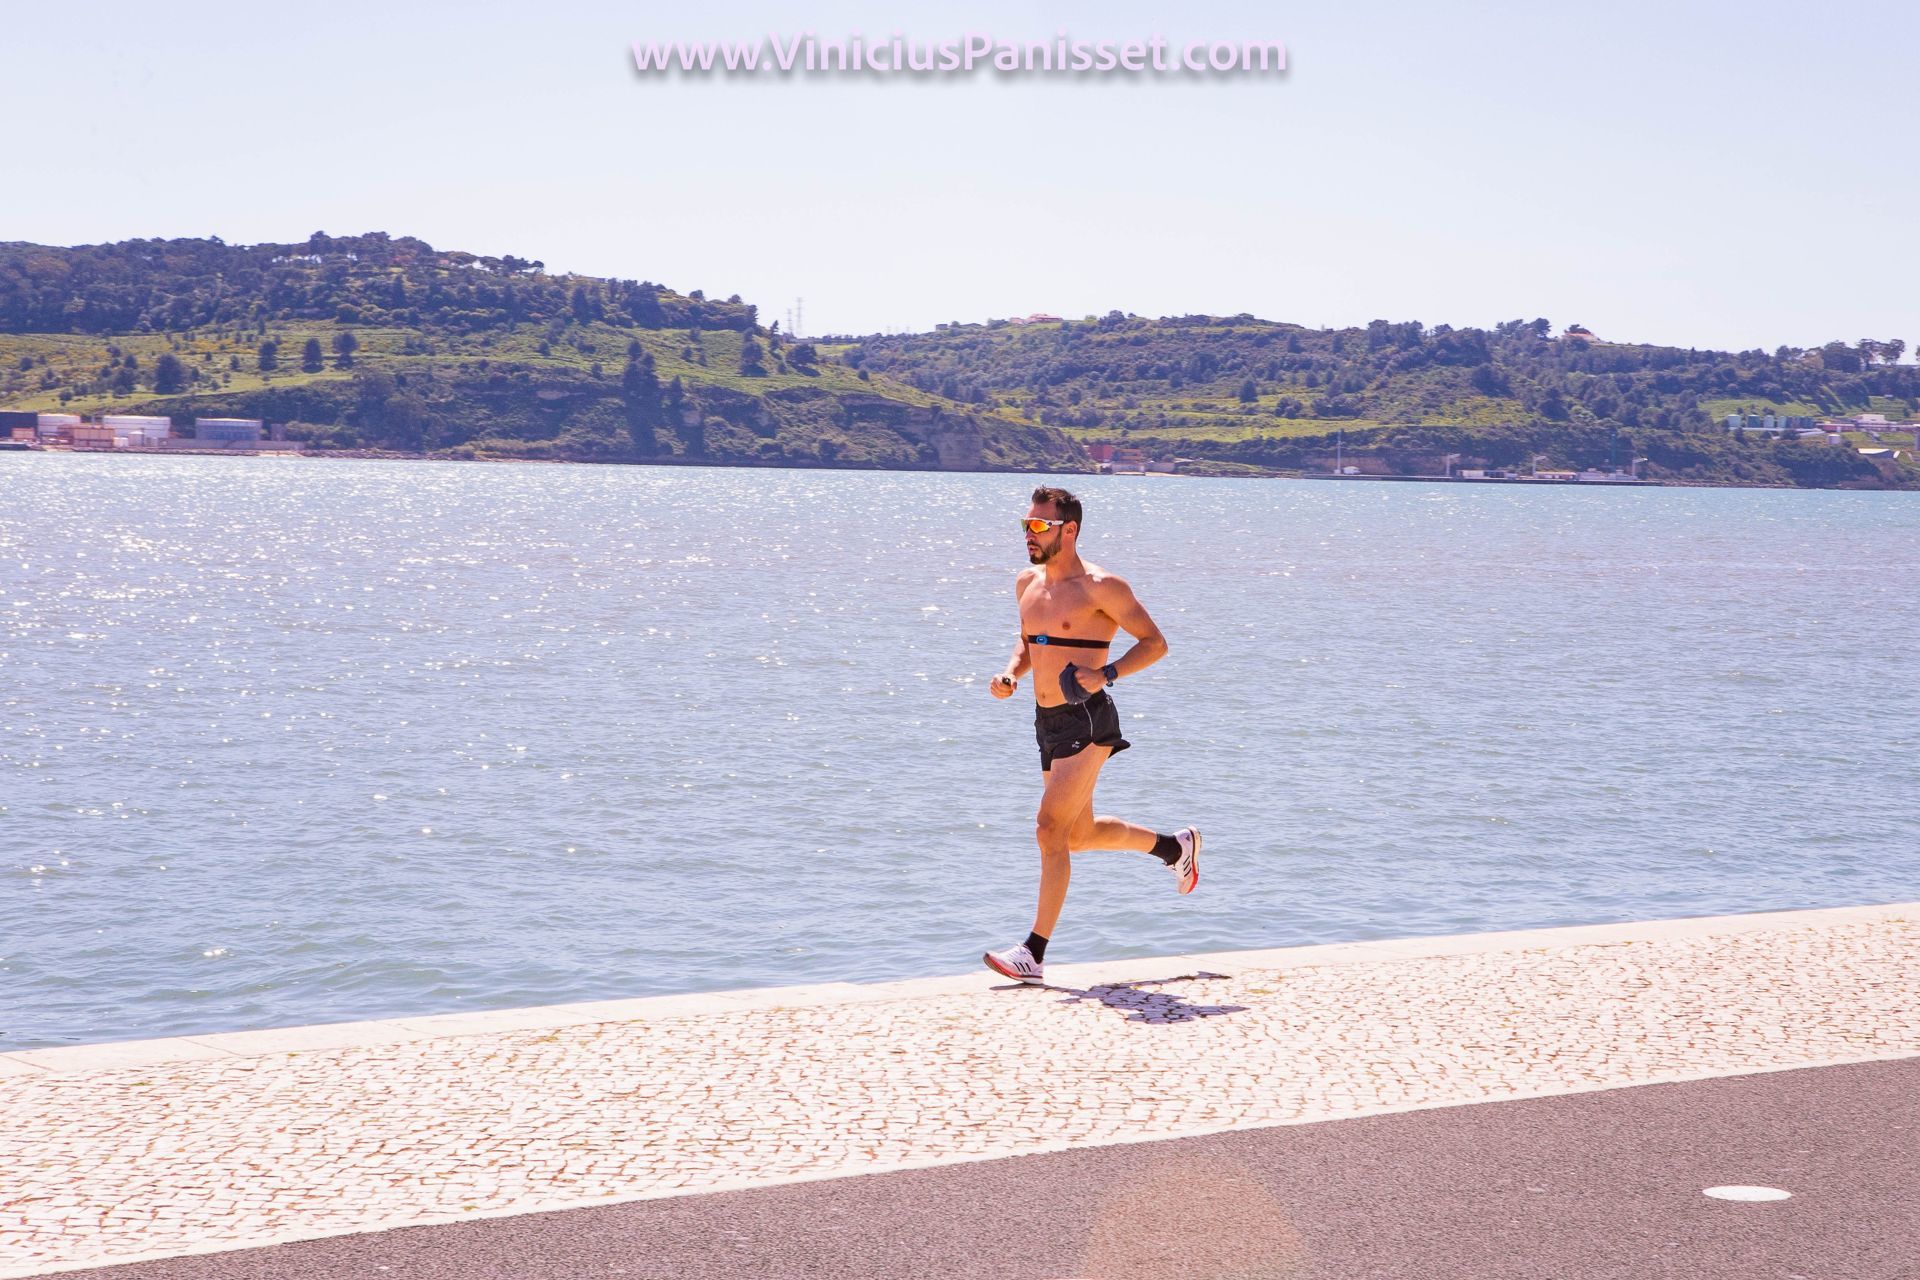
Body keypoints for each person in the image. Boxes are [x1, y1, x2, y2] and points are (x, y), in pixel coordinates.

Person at [983, 486, 1200, 985]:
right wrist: (1010, 674)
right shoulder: (1026, 583)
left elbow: (1155, 643)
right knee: (1076, 836)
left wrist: (1110, 674)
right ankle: (1174, 848)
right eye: (1026, 525)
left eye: (1039, 526)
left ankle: (1033, 953)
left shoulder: (1103, 587)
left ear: (1069, 529)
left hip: (1087, 718)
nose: (1029, 535)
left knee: (1048, 829)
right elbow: (1027, 644)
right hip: (1046, 722)